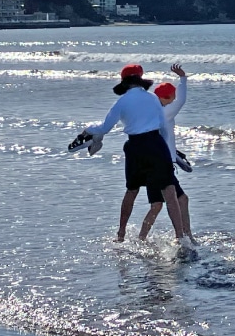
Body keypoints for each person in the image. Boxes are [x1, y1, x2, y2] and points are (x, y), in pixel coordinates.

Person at [74, 64, 190, 246]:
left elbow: (104, 127)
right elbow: (163, 128)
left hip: (134, 147)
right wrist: (168, 153)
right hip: (156, 144)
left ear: (124, 81)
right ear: (140, 80)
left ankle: (120, 234)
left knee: (132, 191)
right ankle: (180, 238)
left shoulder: (121, 102)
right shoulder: (152, 98)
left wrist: (87, 131)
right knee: (169, 191)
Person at [139, 64, 194, 242]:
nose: (173, 101)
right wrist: (183, 79)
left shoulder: (151, 111)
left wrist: (175, 155)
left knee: (157, 205)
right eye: (171, 98)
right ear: (165, 97)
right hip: (161, 166)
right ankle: (185, 237)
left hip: (150, 164)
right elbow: (182, 101)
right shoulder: (166, 111)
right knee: (181, 199)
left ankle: (140, 239)